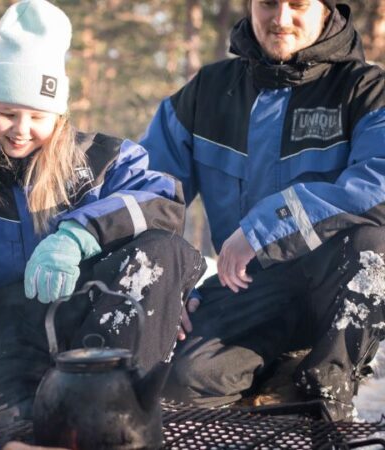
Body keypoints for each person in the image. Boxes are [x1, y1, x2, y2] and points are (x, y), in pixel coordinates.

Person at [0, 0, 206, 428]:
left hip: (95, 310)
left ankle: (118, 407)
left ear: (59, 115)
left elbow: (164, 202)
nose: (20, 128)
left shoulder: (103, 158)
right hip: (7, 324)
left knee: (163, 250)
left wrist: (78, 234)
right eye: (6, 113)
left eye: (37, 115)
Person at [140, 0, 385, 421]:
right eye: (269, 3)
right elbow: (149, 194)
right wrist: (165, 283)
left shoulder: (365, 89)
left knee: (374, 247)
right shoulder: (207, 92)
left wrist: (264, 229)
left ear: (326, 10)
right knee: (181, 382)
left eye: (298, 5)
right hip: (248, 286)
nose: (281, 18)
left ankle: (326, 385)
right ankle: (274, 378)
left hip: (333, 288)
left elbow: (377, 185)